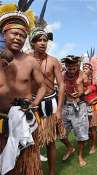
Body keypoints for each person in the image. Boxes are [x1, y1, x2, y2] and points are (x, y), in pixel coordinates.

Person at [0, 2, 46, 174]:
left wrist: (35, 103)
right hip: (0, 121)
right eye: (14, 33)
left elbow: (42, 86)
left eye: (22, 35)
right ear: (4, 33)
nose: (18, 38)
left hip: (24, 120)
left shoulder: (30, 61)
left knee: (26, 167)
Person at [29, 7, 65, 173]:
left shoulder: (53, 61)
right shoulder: (26, 59)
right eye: (39, 40)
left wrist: (59, 110)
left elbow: (62, 85)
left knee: (50, 141)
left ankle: (51, 172)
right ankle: (34, 169)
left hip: (50, 102)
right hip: (33, 104)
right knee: (32, 140)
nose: (43, 42)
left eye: (45, 40)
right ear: (33, 42)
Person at [60, 55, 89, 167]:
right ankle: (70, 148)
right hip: (66, 106)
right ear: (66, 66)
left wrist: (81, 93)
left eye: (73, 68)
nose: (71, 71)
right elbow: (59, 87)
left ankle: (80, 156)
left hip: (80, 106)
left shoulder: (83, 75)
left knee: (81, 134)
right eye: (69, 68)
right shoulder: (62, 75)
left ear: (77, 66)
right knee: (61, 134)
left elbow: (89, 87)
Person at [81, 63, 97, 154]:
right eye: (83, 68)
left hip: (95, 106)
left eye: (86, 68)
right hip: (85, 106)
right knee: (90, 127)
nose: (84, 69)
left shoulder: (95, 81)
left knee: (94, 126)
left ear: (91, 70)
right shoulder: (81, 82)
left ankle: (94, 146)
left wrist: (93, 100)